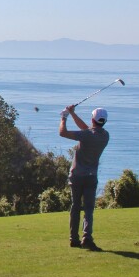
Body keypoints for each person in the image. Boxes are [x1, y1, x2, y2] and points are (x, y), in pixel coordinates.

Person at [59, 105, 110, 251]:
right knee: (88, 209)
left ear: (92, 119)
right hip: (91, 177)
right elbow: (87, 129)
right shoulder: (105, 136)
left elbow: (62, 133)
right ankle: (87, 237)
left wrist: (64, 117)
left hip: (76, 176)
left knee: (75, 207)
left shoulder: (87, 135)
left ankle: (73, 239)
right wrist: (73, 113)